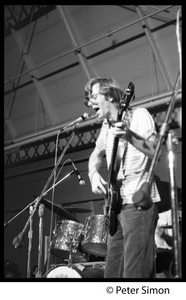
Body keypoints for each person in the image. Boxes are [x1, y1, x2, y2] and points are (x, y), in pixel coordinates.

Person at [84, 77, 161, 278]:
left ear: (110, 95)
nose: (89, 103)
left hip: (138, 205)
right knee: (112, 275)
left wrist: (128, 135)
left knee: (135, 275)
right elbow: (94, 156)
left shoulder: (138, 115)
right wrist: (93, 173)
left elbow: (155, 151)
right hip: (115, 209)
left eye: (93, 96)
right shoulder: (106, 127)